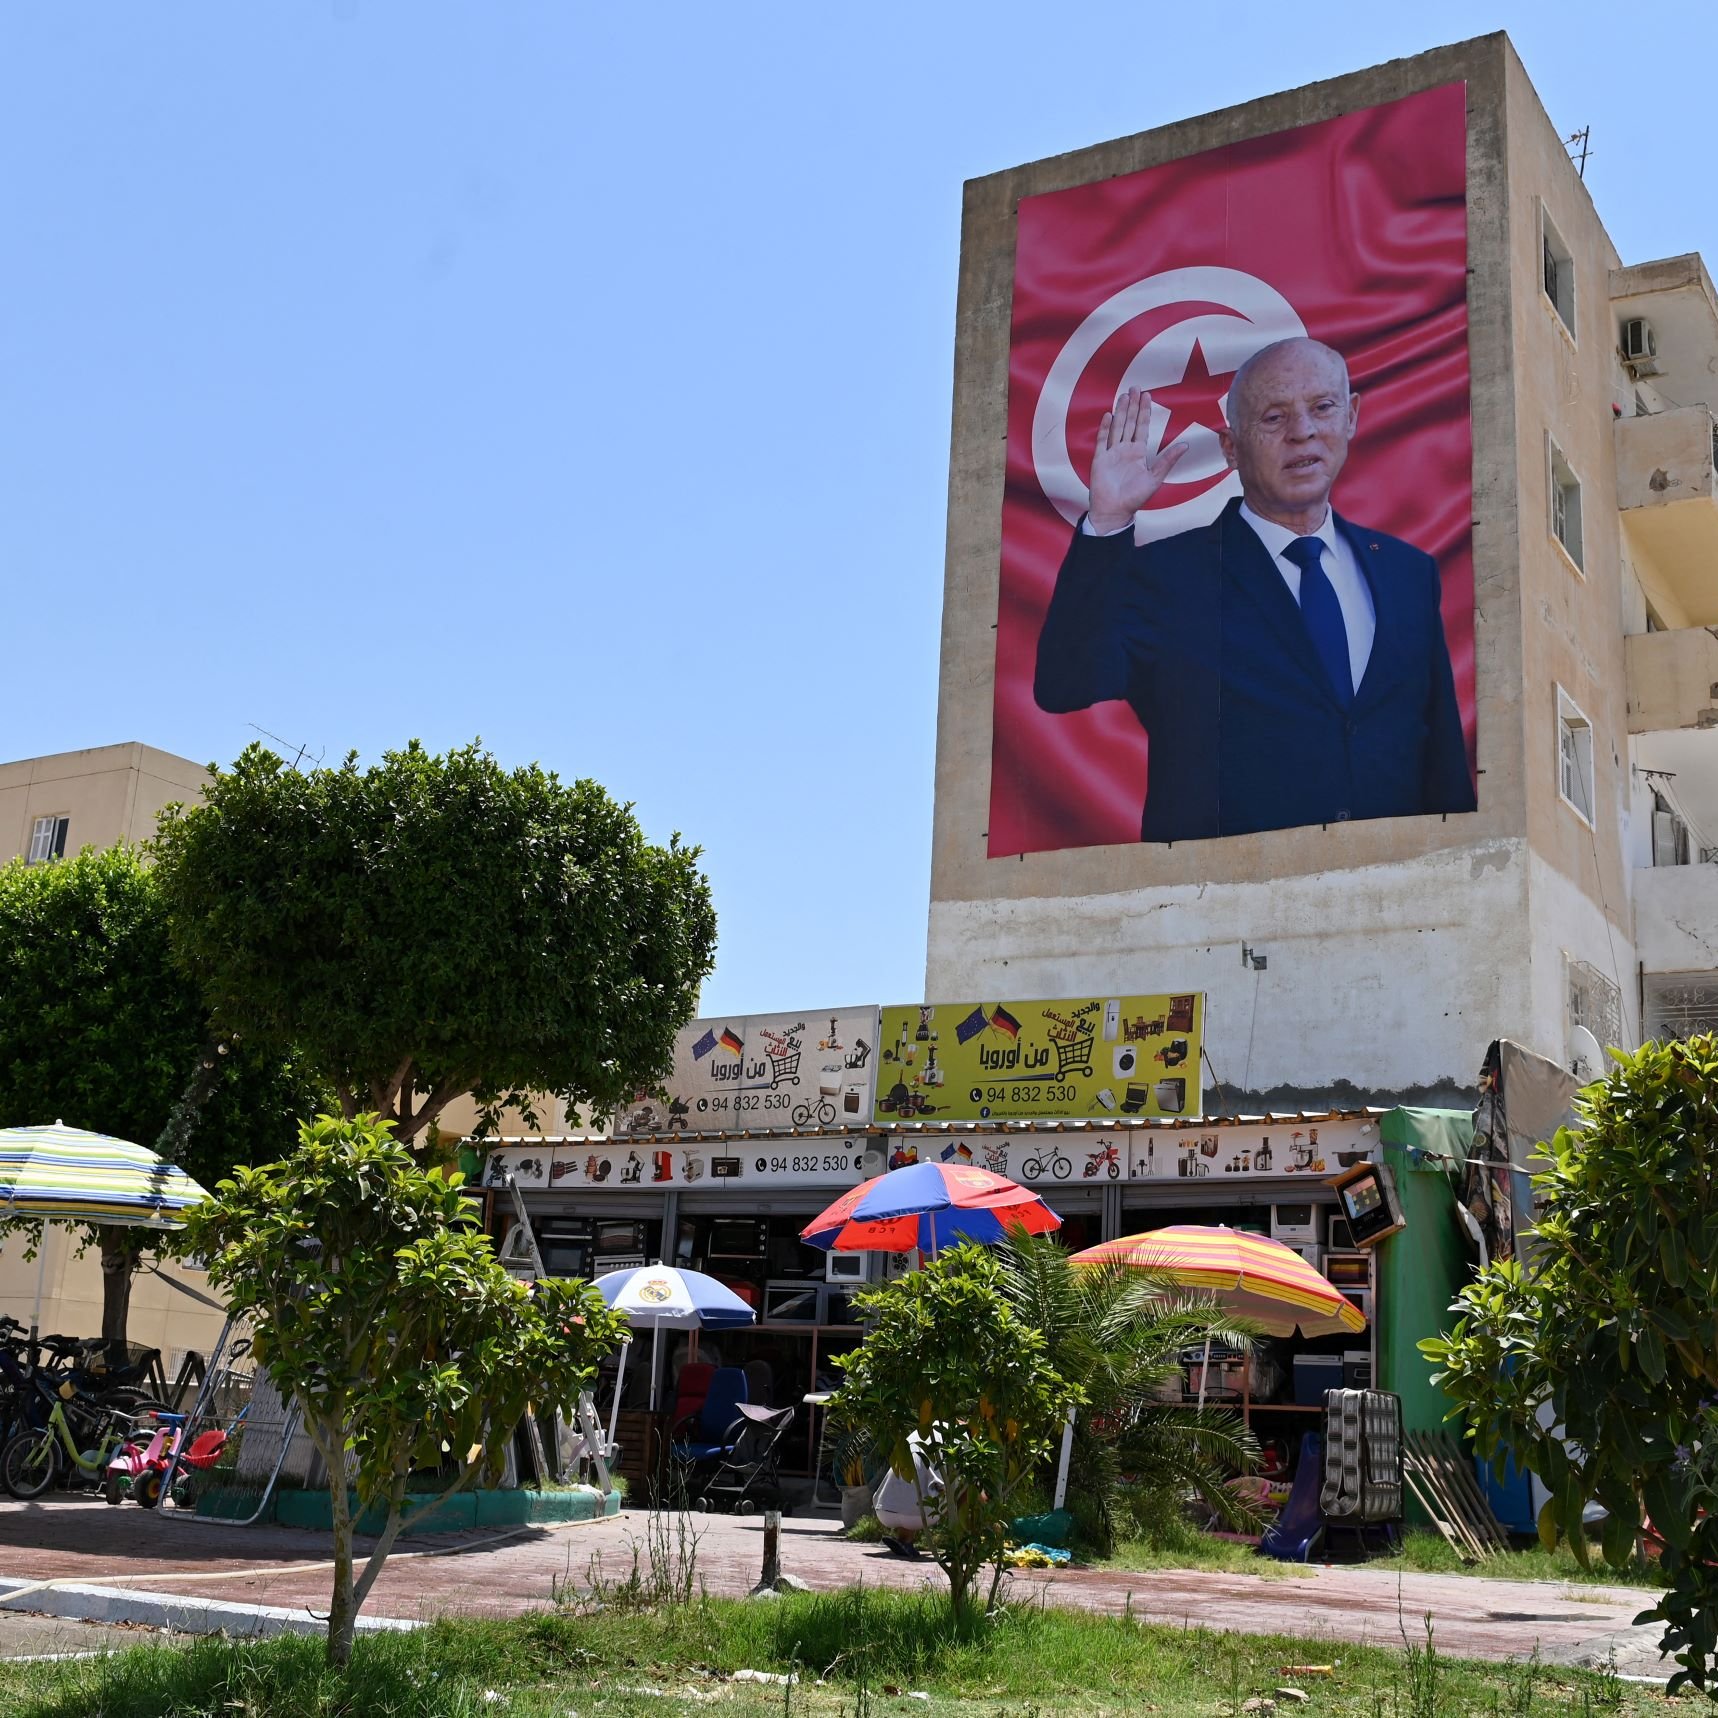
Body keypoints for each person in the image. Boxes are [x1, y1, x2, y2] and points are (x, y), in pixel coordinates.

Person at [1033, 338, 1476, 842]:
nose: (1303, 432)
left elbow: (1440, 757)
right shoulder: (1169, 574)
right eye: (1273, 418)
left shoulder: (1408, 573)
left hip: (1396, 898)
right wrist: (1109, 520)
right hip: (1225, 904)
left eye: (1323, 407)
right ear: (1230, 447)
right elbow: (1066, 683)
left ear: (1351, 416)